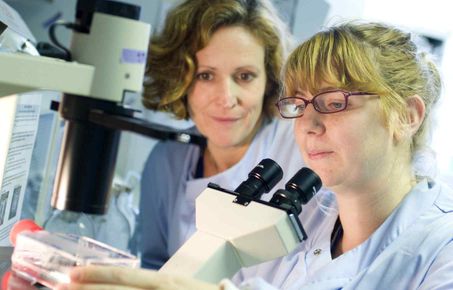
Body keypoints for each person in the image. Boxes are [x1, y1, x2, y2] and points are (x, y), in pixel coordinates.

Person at [51, 21, 453, 290]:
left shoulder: (442, 248)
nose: (308, 125)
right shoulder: (310, 224)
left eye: (332, 103)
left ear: (407, 115)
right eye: (298, 104)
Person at [138, 0, 315, 271]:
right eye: (206, 76)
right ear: (179, 80)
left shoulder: (303, 152)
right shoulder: (167, 159)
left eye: (244, 76)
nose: (226, 98)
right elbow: (154, 265)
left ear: (270, 81)